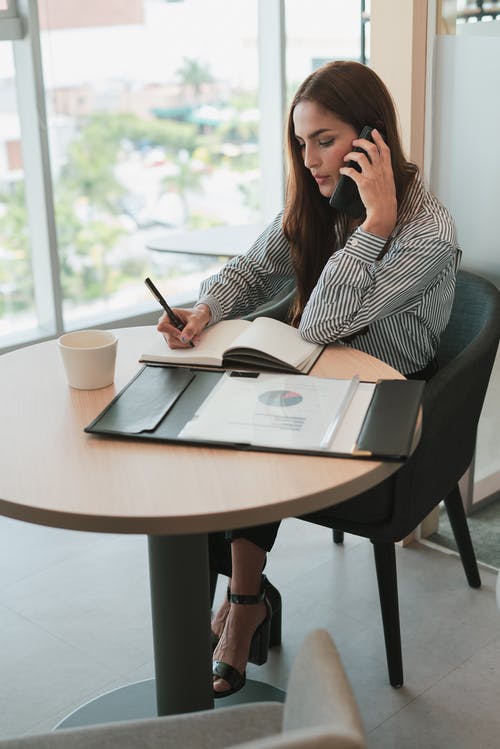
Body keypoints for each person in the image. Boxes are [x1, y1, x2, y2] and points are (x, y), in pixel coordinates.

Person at [157, 60, 459, 698]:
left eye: (326, 140)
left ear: (372, 138)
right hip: (321, 378)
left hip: (388, 398)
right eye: (303, 142)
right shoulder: (319, 200)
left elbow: (321, 320)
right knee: (221, 424)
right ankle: (246, 594)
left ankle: (242, 608)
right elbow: (255, 265)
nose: (313, 159)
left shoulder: (424, 231)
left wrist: (374, 226)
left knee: (255, 436)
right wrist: (205, 309)